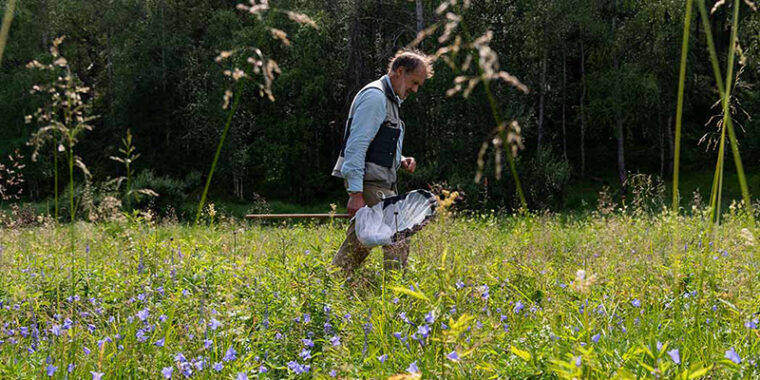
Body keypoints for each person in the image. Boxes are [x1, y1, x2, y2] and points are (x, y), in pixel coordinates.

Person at [331, 49, 433, 274]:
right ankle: (396, 293)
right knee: (398, 234)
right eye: (414, 82)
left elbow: (378, 143)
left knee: (361, 239)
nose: (415, 89)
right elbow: (356, 146)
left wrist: (401, 159)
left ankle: (332, 281)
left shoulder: (389, 100)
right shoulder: (375, 97)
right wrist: (356, 194)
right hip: (370, 182)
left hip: (379, 181)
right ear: (399, 71)